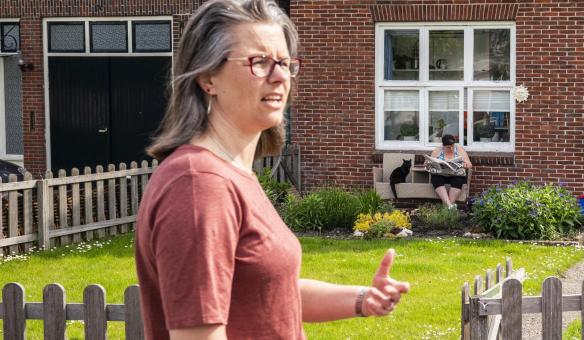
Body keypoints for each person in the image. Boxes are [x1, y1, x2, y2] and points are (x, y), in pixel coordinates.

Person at [135, 1, 410, 338]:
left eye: (284, 62)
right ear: (208, 78)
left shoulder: (233, 174)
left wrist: (363, 299)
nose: (280, 76)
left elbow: (268, 294)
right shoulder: (198, 185)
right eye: (259, 62)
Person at [429, 134, 473, 208]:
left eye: (452, 146)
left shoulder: (459, 149)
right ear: (443, 145)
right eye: (448, 147)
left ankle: (447, 206)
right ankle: (450, 206)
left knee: (458, 180)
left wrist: (465, 165)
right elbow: (430, 162)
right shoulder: (438, 150)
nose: (451, 148)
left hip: (456, 175)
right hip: (441, 175)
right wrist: (428, 163)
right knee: (436, 179)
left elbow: (469, 164)